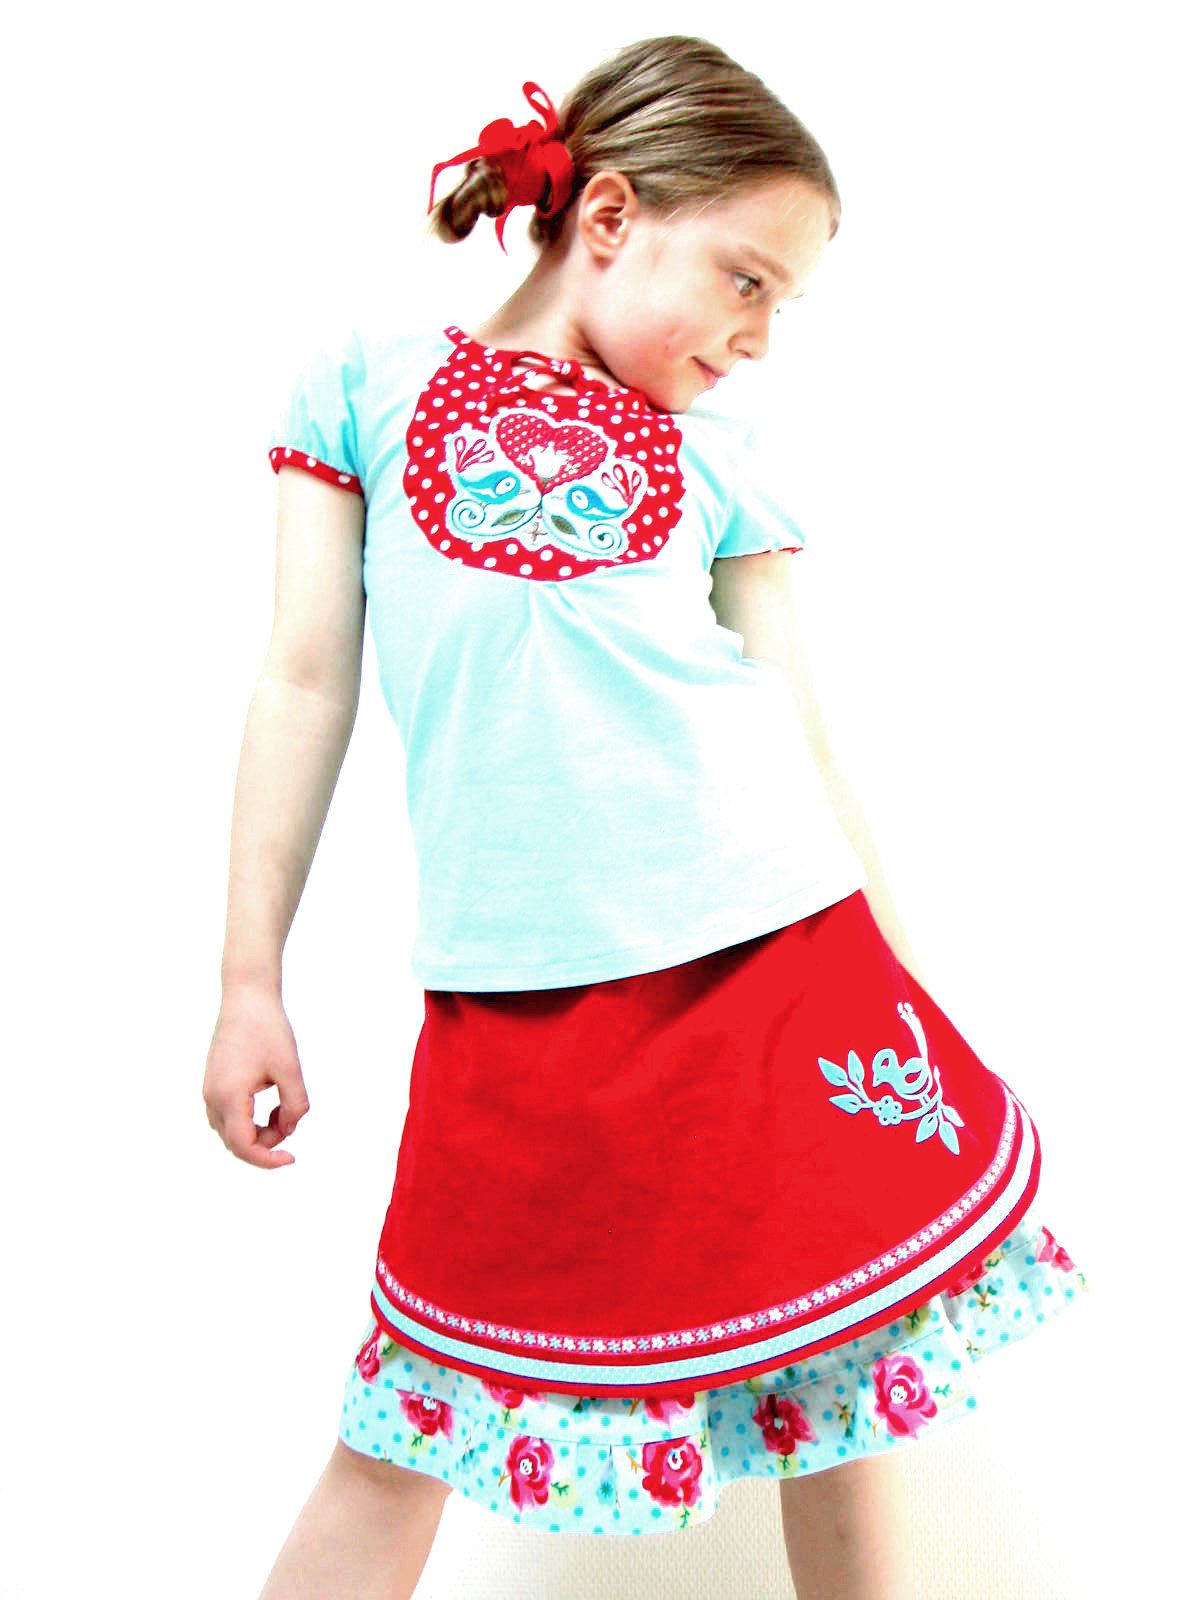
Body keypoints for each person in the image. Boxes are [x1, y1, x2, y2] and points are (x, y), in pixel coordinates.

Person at [204, 35, 1091, 1600]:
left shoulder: (726, 456)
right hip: (512, 995)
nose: (760, 337)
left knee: (845, 1390)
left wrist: (902, 973)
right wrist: (248, 980)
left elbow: (800, 727)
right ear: (608, 216)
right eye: (747, 281)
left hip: (777, 973)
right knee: (404, 1424)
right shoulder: (361, 386)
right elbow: (300, 684)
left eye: (784, 304)